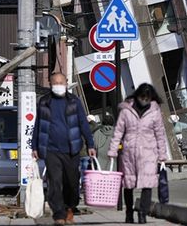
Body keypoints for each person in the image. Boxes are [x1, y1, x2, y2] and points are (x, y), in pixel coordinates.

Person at [32, 73, 96, 225]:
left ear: (66, 83)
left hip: (72, 149)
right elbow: (38, 125)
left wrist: (90, 144)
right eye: (55, 82)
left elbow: (83, 124)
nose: (58, 85)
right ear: (50, 83)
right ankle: (59, 214)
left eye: (61, 82)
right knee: (55, 182)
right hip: (51, 149)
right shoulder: (44, 102)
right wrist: (34, 146)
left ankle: (70, 208)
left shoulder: (74, 101)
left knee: (72, 182)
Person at [108, 84, 168, 224]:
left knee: (147, 184)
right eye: (142, 97)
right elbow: (118, 131)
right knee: (128, 184)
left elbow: (160, 133)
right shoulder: (126, 111)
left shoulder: (154, 111)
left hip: (149, 152)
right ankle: (129, 212)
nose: (144, 100)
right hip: (129, 152)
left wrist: (162, 154)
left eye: (147, 98)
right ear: (137, 95)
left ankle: (142, 213)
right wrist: (113, 149)